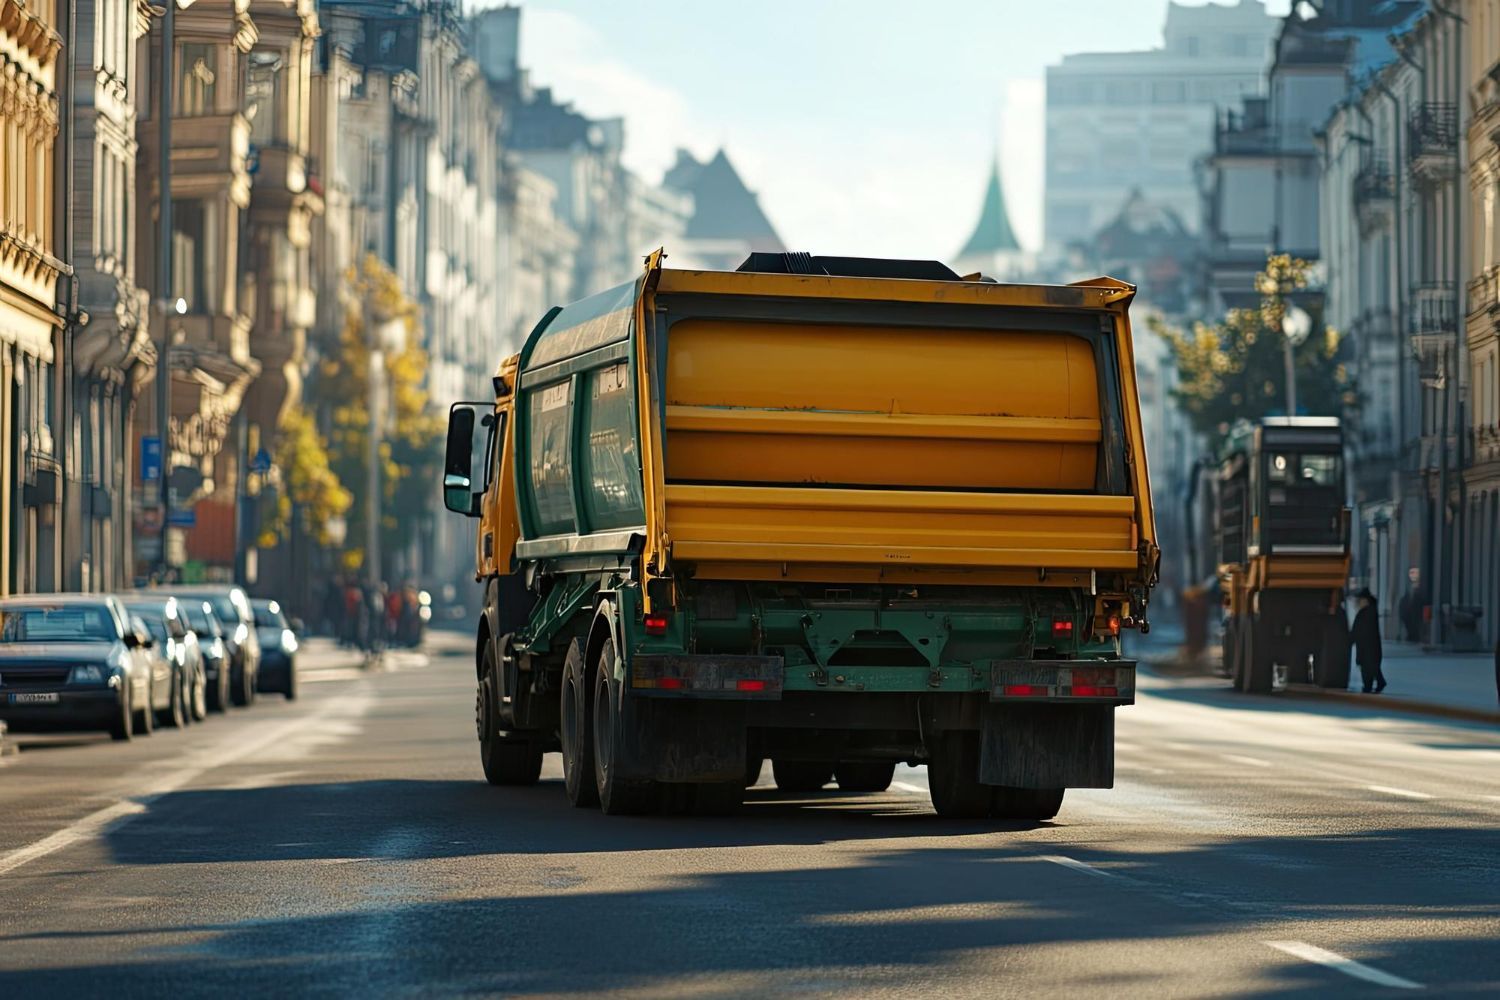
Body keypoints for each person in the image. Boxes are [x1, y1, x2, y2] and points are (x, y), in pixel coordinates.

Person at [1351, 587, 1386, 694]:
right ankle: (1373, 685)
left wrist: (1349, 640)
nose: (1357, 603)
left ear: (1365, 600)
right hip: (1370, 648)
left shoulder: (1365, 614)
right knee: (1372, 667)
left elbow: (1357, 631)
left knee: (1368, 668)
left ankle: (1370, 686)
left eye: (1359, 600)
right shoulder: (1370, 612)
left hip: (1367, 648)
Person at [1398, 567, 1425, 644]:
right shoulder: (1405, 598)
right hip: (1409, 618)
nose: (1413, 576)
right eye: (1411, 573)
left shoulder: (1419, 595)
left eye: (1415, 573)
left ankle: (1414, 635)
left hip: (1415, 617)